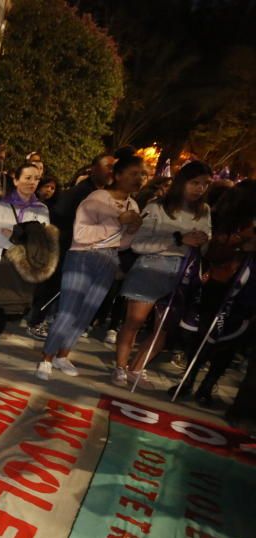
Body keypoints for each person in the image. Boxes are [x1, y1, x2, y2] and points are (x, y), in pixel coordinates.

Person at [36, 155, 145, 381]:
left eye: (141, 174)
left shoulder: (133, 204)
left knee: (88, 310)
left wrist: (132, 229)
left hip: (109, 259)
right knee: (68, 309)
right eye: (134, 173)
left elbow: (123, 243)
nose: (139, 179)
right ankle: (46, 357)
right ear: (117, 175)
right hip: (82, 257)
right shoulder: (97, 198)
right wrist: (117, 222)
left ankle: (63, 355)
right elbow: (81, 235)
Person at [112, 161, 213, 388]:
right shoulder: (158, 206)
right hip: (151, 268)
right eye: (195, 183)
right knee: (134, 322)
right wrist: (178, 240)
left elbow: (206, 244)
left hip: (182, 273)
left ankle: (137, 368)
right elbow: (138, 244)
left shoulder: (204, 211)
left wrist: (203, 243)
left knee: (165, 327)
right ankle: (120, 366)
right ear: (182, 182)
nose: (199, 188)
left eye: (205, 184)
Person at [168, 181, 255, 406]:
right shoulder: (220, 218)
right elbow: (211, 251)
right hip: (217, 284)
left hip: (245, 289)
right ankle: (188, 379)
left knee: (230, 341)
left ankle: (208, 385)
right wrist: (240, 241)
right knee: (204, 336)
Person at [27, 153, 115, 338]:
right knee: (51, 285)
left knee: (61, 289)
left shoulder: (104, 194)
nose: (111, 171)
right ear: (94, 168)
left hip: (81, 247)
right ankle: (36, 320)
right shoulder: (82, 191)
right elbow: (60, 215)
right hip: (65, 245)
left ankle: (45, 320)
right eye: (108, 166)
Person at [0, 163, 54, 363]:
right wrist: (22, 237)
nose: (32, 182)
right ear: (16, 180)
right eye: (27, 177)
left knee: (5, 307)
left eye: (35, 178)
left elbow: (40, 240)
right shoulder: (2, 205)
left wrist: (16, 233)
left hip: (19, 266)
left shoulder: (42, 209)